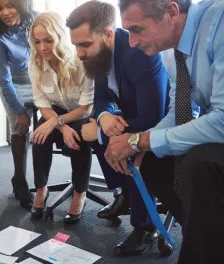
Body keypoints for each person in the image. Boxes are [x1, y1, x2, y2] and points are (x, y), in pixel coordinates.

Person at [104, 0, 224, 262]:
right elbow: (180, 112)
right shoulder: (171, 49)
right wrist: (141, 144)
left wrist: (141, 138)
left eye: (137, 29)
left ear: (171, 12)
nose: (131, 42)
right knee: (151, 159)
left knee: (203, 164)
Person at [66, 0, 170, 255]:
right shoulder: (99, 56)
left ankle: (145, 228)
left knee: (122, 148)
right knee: (89, 131)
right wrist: (103, 118)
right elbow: (102, 97)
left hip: (161, 123)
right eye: (76, 46)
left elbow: (151, 119)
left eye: (84, 44)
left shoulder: (140, 54)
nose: (79, 53)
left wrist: (102, 132)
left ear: (109, 34)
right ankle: (124, 194)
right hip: (130, 114)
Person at [28, 11, 94, 223]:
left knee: (79, 137)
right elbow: (42, 104)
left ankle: (80, 192)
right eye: (37, 42)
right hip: (54, 112)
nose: (42, 48)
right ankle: (41, 189)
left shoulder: (82, 61)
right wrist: (59, 125)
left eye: (48, 40)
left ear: (60, 37)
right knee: (39, 136)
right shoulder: (35, 64)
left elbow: (85, 108)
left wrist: (60, 124)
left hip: (81, 114)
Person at [0, 0, 36, 209]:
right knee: (20, 128)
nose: (5, 12)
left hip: (40, 82)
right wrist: (18, 110)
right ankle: (21, 181)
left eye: (10, 5)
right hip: (14, 85)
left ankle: (34, 182)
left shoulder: (38, 20)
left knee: (43, 130)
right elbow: (4, 80)